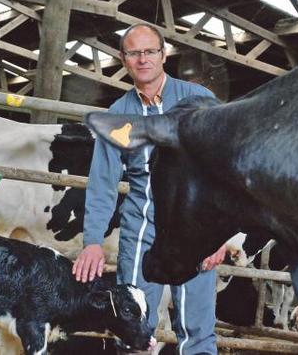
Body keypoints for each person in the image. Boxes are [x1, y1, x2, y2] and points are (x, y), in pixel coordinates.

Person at [73, 24, 226, 355]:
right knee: (134, 327)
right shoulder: (118, 115)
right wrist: (93, 242)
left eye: (149, 51)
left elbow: (222, 171)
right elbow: (103, 182)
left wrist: (218, 236)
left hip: (194, 231)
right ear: (123, 59)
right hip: (141, 231)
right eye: (133, 53)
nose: (143, 60)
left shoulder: (199, 102)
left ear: (164, 54)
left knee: (198, 330)